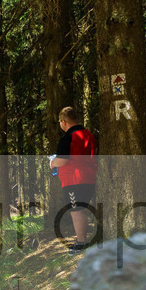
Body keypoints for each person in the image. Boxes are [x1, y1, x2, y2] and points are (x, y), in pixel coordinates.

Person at [50, 106, 97, 255]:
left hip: (74, 180)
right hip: (89, 177)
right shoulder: (89, 134)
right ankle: (82, 239)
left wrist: (52, 163)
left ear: (63, 122)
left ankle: (81, 242)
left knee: (76, 210)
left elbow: (63, 160)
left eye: (60, 122)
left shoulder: (68, 138)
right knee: (80, 209)